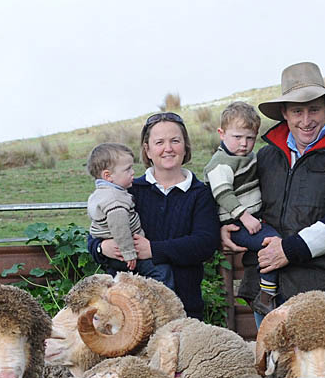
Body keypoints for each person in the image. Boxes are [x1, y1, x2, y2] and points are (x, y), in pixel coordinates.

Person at [223, 61, 325, 316]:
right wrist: (226, 227)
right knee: (273, 359)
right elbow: (238, 196)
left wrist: (289, 250)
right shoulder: (265, 157)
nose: (306, 120)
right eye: (298, 111)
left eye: (314, 110)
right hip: (267, 298)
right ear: (284, 113)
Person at [90, 112, 220, 320]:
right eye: (159, 142)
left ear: (185, 146)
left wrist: (153, 250)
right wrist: (101, 247)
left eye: (175, 141)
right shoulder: (128, 190)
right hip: (127, 308)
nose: (168, 148)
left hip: (183, 305)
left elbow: (205, 243)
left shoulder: (200, 193)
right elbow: (97, 233)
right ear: (147, 150)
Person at [204, 101, 280, 317]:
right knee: (272, 243)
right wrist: (245, 217)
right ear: (221, 133)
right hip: (239, 222)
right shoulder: (221, 163)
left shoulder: (245, 157)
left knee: (267, 246)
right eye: (237, 137)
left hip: (252, 218)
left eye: (250, 138)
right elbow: (223, 194)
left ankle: (265, 292)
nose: (244, 144)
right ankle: (266, 296)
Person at [85, 142, 173, 288]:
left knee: (121, 284)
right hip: (125, 251)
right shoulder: (115, 199)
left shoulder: (99, 194)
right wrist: (129, 253)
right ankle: (163, 304)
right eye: (127, 169)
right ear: (108, 176)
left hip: (115, 254)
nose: (133, 172)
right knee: (161, 272)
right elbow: (120, 227)